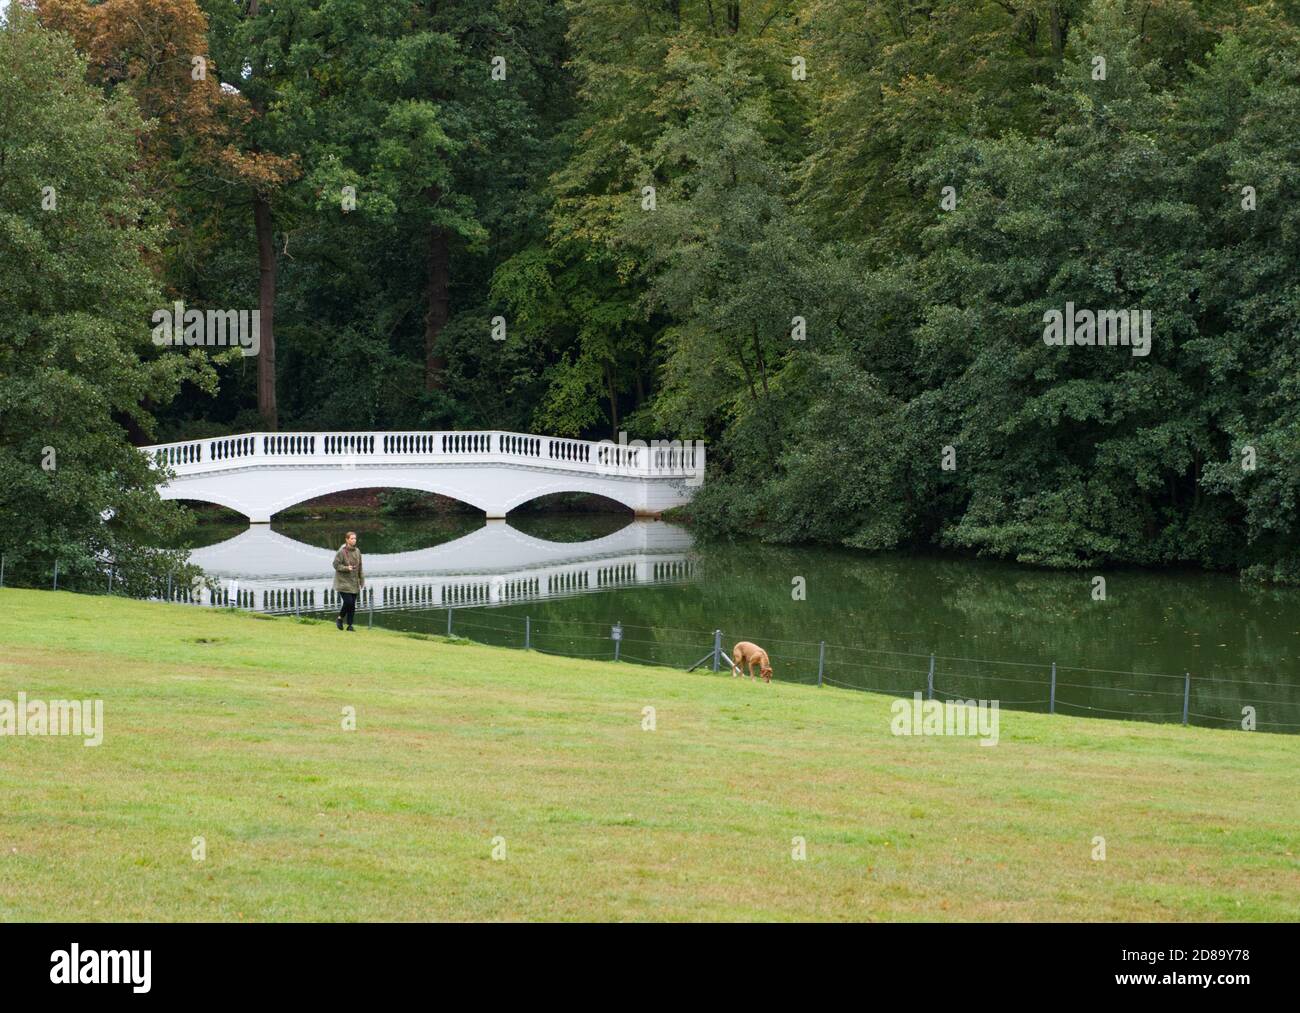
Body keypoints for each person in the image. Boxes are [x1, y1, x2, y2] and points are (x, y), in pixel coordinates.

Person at [332, 531, 364, 631]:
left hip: (354, 582)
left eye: (355, 538)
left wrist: (361, 580)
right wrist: (346, 568)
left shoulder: (357, 551)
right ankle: (340, 618)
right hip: (343, 582)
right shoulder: (341, 552)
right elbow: (335, 565)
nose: (354, 540)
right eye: (352, 538)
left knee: (352, 605)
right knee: (349, 602)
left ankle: (350, 625)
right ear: (347, 540)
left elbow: (360, 567)